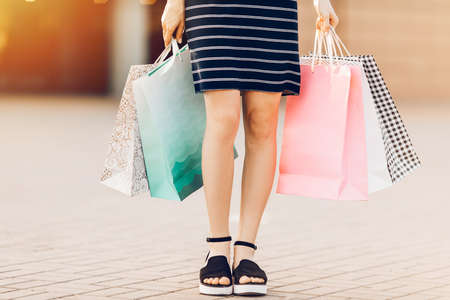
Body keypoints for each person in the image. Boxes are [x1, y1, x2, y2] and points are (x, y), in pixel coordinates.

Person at [160, 0, 338, 296]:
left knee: (262, 123)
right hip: (212, 8)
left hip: (271, 10)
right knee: (223, 119)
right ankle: (217, 248)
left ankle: (246, 252)